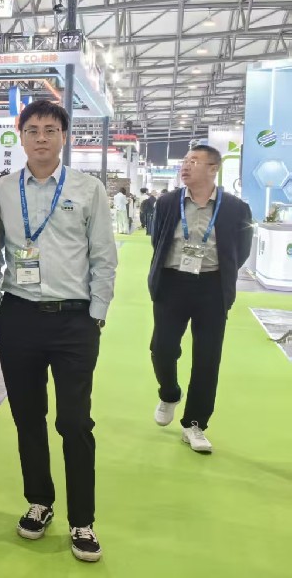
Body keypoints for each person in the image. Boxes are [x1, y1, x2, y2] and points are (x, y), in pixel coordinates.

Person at [0, 100, 117, 563]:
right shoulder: (2, 191)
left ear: (64, 136)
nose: (41, 137)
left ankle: (83, 520)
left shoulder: (88, 189)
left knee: (75, 422)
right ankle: (39, 502)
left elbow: (104, 255)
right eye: (33, 130)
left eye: (50, 129)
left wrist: (95, 315)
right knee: (27, 417)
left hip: (73, 322)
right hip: (19, 317)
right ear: (21, 136)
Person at [147, 145, 253, 454]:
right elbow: (158, 239)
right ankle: (169, 393)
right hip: (172, 282)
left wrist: (219, 272)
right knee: (162, 348)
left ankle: (195, 424)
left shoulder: (235, 208)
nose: (186, 165)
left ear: (213, 169)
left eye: (194, 161)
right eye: (185, 161)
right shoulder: (167, 202)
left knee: (207, 357)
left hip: (212, 286)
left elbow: (241, 250)